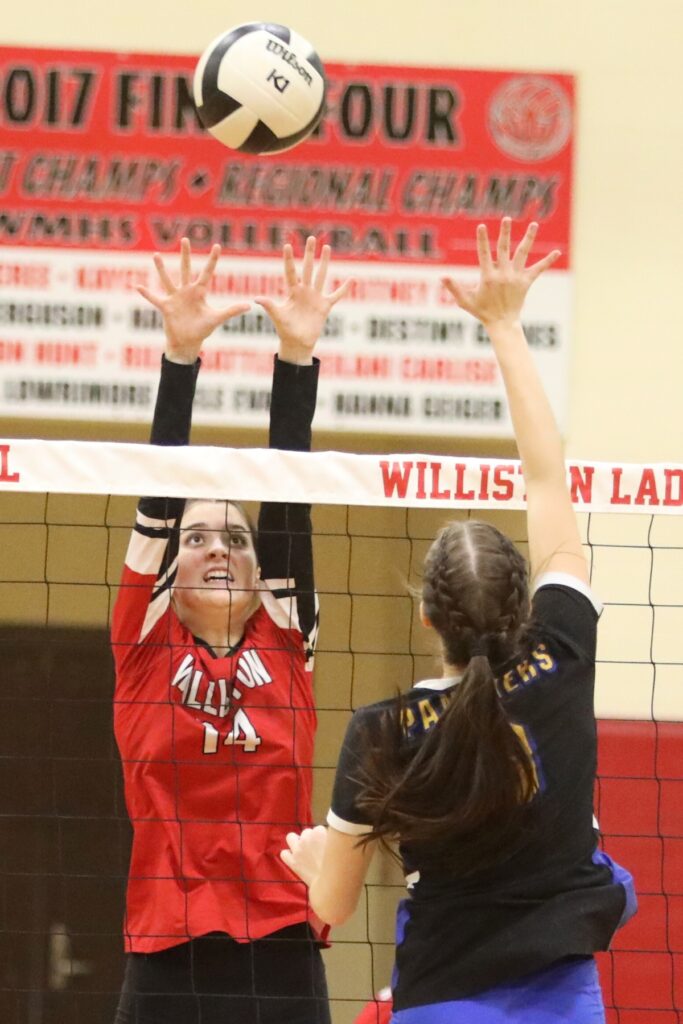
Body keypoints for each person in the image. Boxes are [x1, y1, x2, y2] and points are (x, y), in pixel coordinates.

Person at [281, 219, 637, 1023]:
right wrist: (505, 324)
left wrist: (313, 860)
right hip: (563, 998)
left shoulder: (383, 729)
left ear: (424, 617)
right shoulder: (563, 653)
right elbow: (548, 478)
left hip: (441, 998)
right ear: (526, 604)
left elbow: (331, 905)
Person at [111, 236, 349, 1024]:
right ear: (169, 574)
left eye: (236, 540)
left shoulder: (287, 635)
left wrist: (296, 353)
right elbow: (157, 498)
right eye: (198, 538)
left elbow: (290, 498)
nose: (217, 547)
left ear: (259, 577)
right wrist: (181, 356)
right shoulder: (143, 645)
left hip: (279, 945)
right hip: (164, 948)